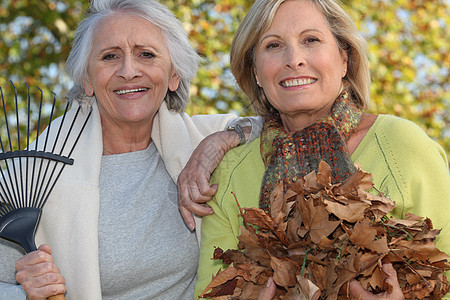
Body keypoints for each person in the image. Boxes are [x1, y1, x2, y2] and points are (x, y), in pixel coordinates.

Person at [0, 0, 263, 299]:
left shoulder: (199, 139)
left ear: (174, 74)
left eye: (146, 55)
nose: (128, 70)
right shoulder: (36, 173)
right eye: (110, 56)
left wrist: (221, 141)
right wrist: (23, 294)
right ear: (87, 79)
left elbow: (276, 122)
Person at [192, 0, 450, 299]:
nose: (294, 59)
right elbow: (211, 290)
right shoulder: (229, 171)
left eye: (310, 40)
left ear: (344, 58)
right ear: (256, 73)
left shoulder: (403, 145)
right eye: (273, 45)